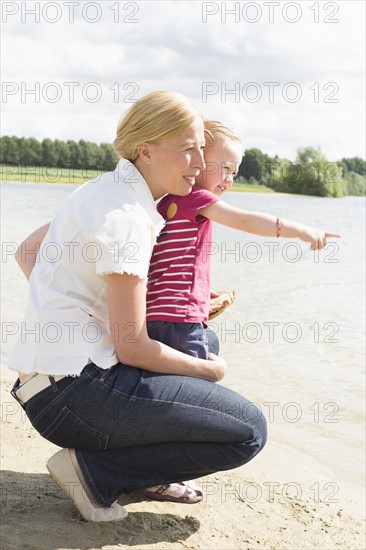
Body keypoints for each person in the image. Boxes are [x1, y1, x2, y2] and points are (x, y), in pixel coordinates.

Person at [9, 91, 267, 522]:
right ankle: (94, 472)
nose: (201, 163)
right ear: (145, 150)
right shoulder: (128, 217)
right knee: (248, 431)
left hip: (45, 382)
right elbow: (133, 350)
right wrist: (211, 371)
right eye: (188, 148)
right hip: (74, 396)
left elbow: (27, 253)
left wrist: (74, 314)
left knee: (206, 337)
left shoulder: (103, 189)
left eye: (202, 148)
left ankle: (132, 466)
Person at [146, 120, 341, 360]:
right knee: (196, 381)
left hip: (154, 317)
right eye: (225, 168)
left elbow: (166, 264)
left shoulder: (167, 202)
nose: (229, 178)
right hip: (182, 320)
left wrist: (201, 290)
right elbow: (245, 221)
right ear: (198, 160)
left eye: (234, 172)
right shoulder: (198, 199)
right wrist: (300, 231)